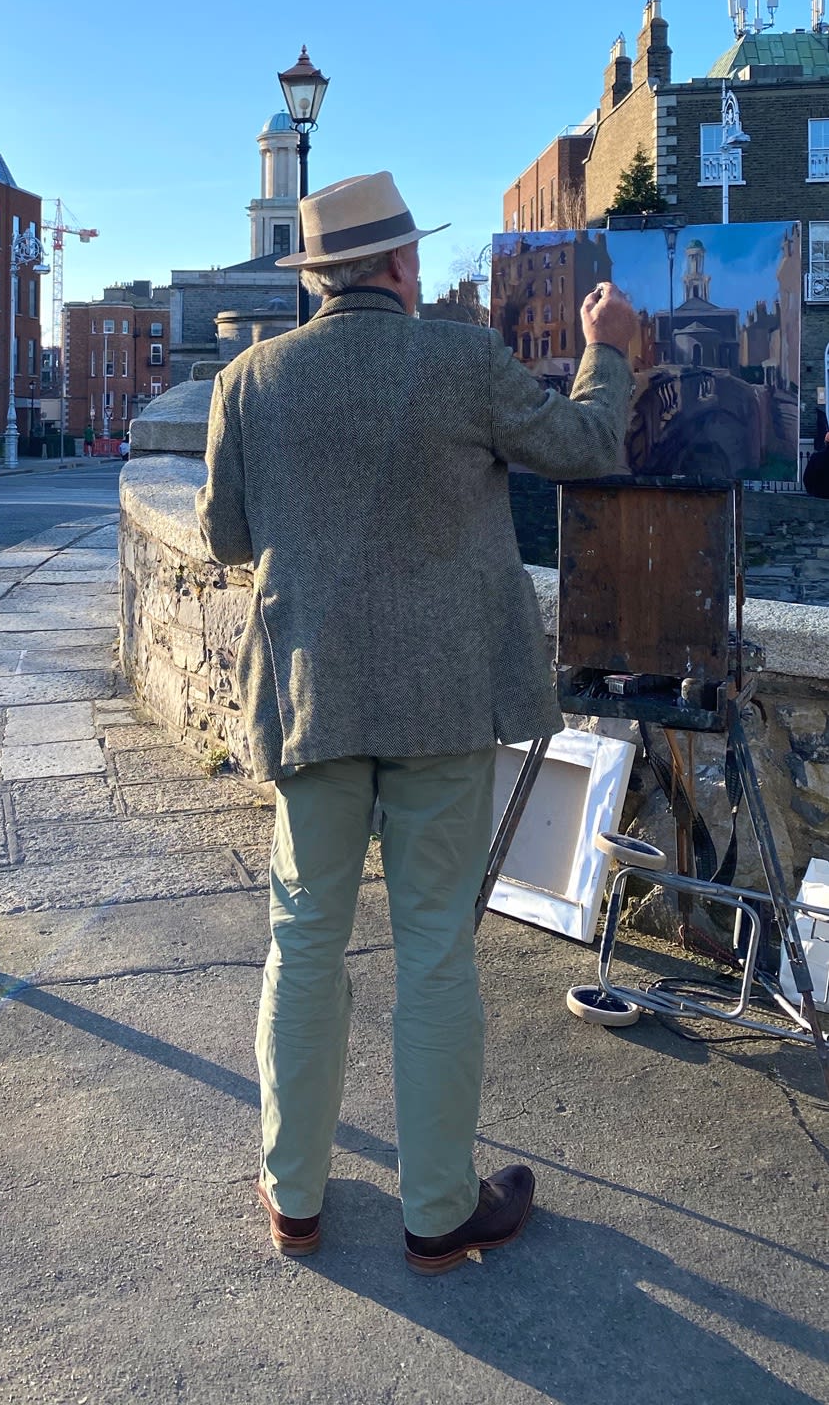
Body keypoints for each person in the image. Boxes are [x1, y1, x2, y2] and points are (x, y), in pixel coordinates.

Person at [195, 170, 635, 1275]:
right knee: (434, 949)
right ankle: (437, 1210)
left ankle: (292, 1193)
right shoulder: (458, 357)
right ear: (397, 266)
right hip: (442, 698)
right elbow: (583, 444)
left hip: (311, 694)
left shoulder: (249, 379)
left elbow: (227, 538)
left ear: (315, 274)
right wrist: (609, 350)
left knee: (303, 941)